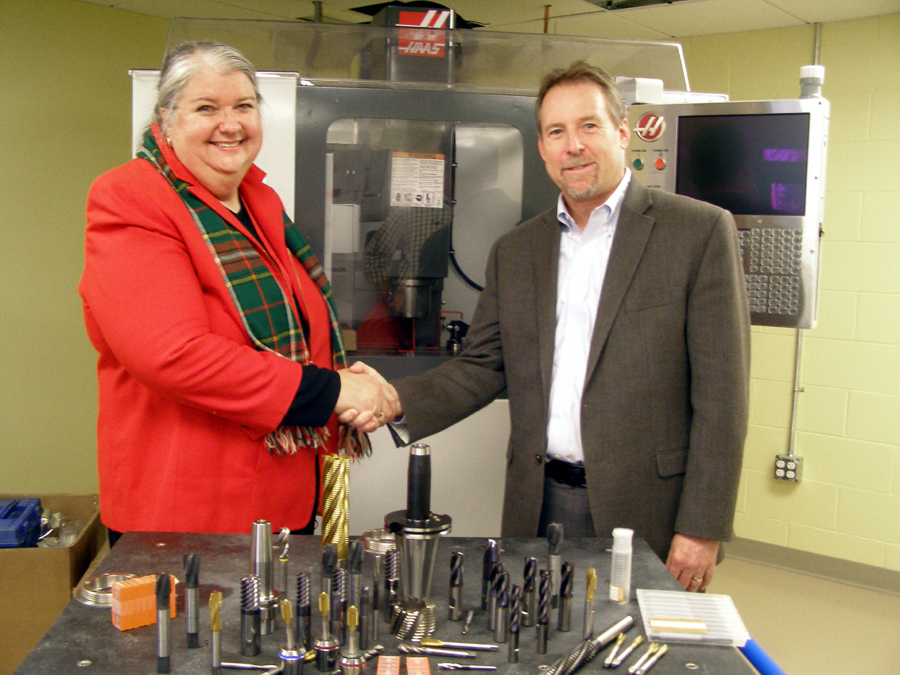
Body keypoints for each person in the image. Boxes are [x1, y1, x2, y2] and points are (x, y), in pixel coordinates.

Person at [389, 61, 750, 591]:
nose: (573, 145)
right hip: (537, 499)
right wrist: (392, 401)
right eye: (556, 131)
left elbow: (723, 398)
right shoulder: (517, 250)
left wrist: (702, 527)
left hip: (648, 509)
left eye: (589, 126)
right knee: (533, 645)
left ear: (621, 133)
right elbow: (483, 366)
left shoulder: (696, 232)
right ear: (541, 147)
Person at [79, 42, 398, 542]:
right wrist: (332, 391)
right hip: (189, 513)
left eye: (244, 106)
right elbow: (173, 356)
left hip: (283, 499)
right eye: (206, 108)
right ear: (166, 118)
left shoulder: (257, 199)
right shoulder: (131, 198)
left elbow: (297, 335)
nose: (230, 124)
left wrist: (355, 385)